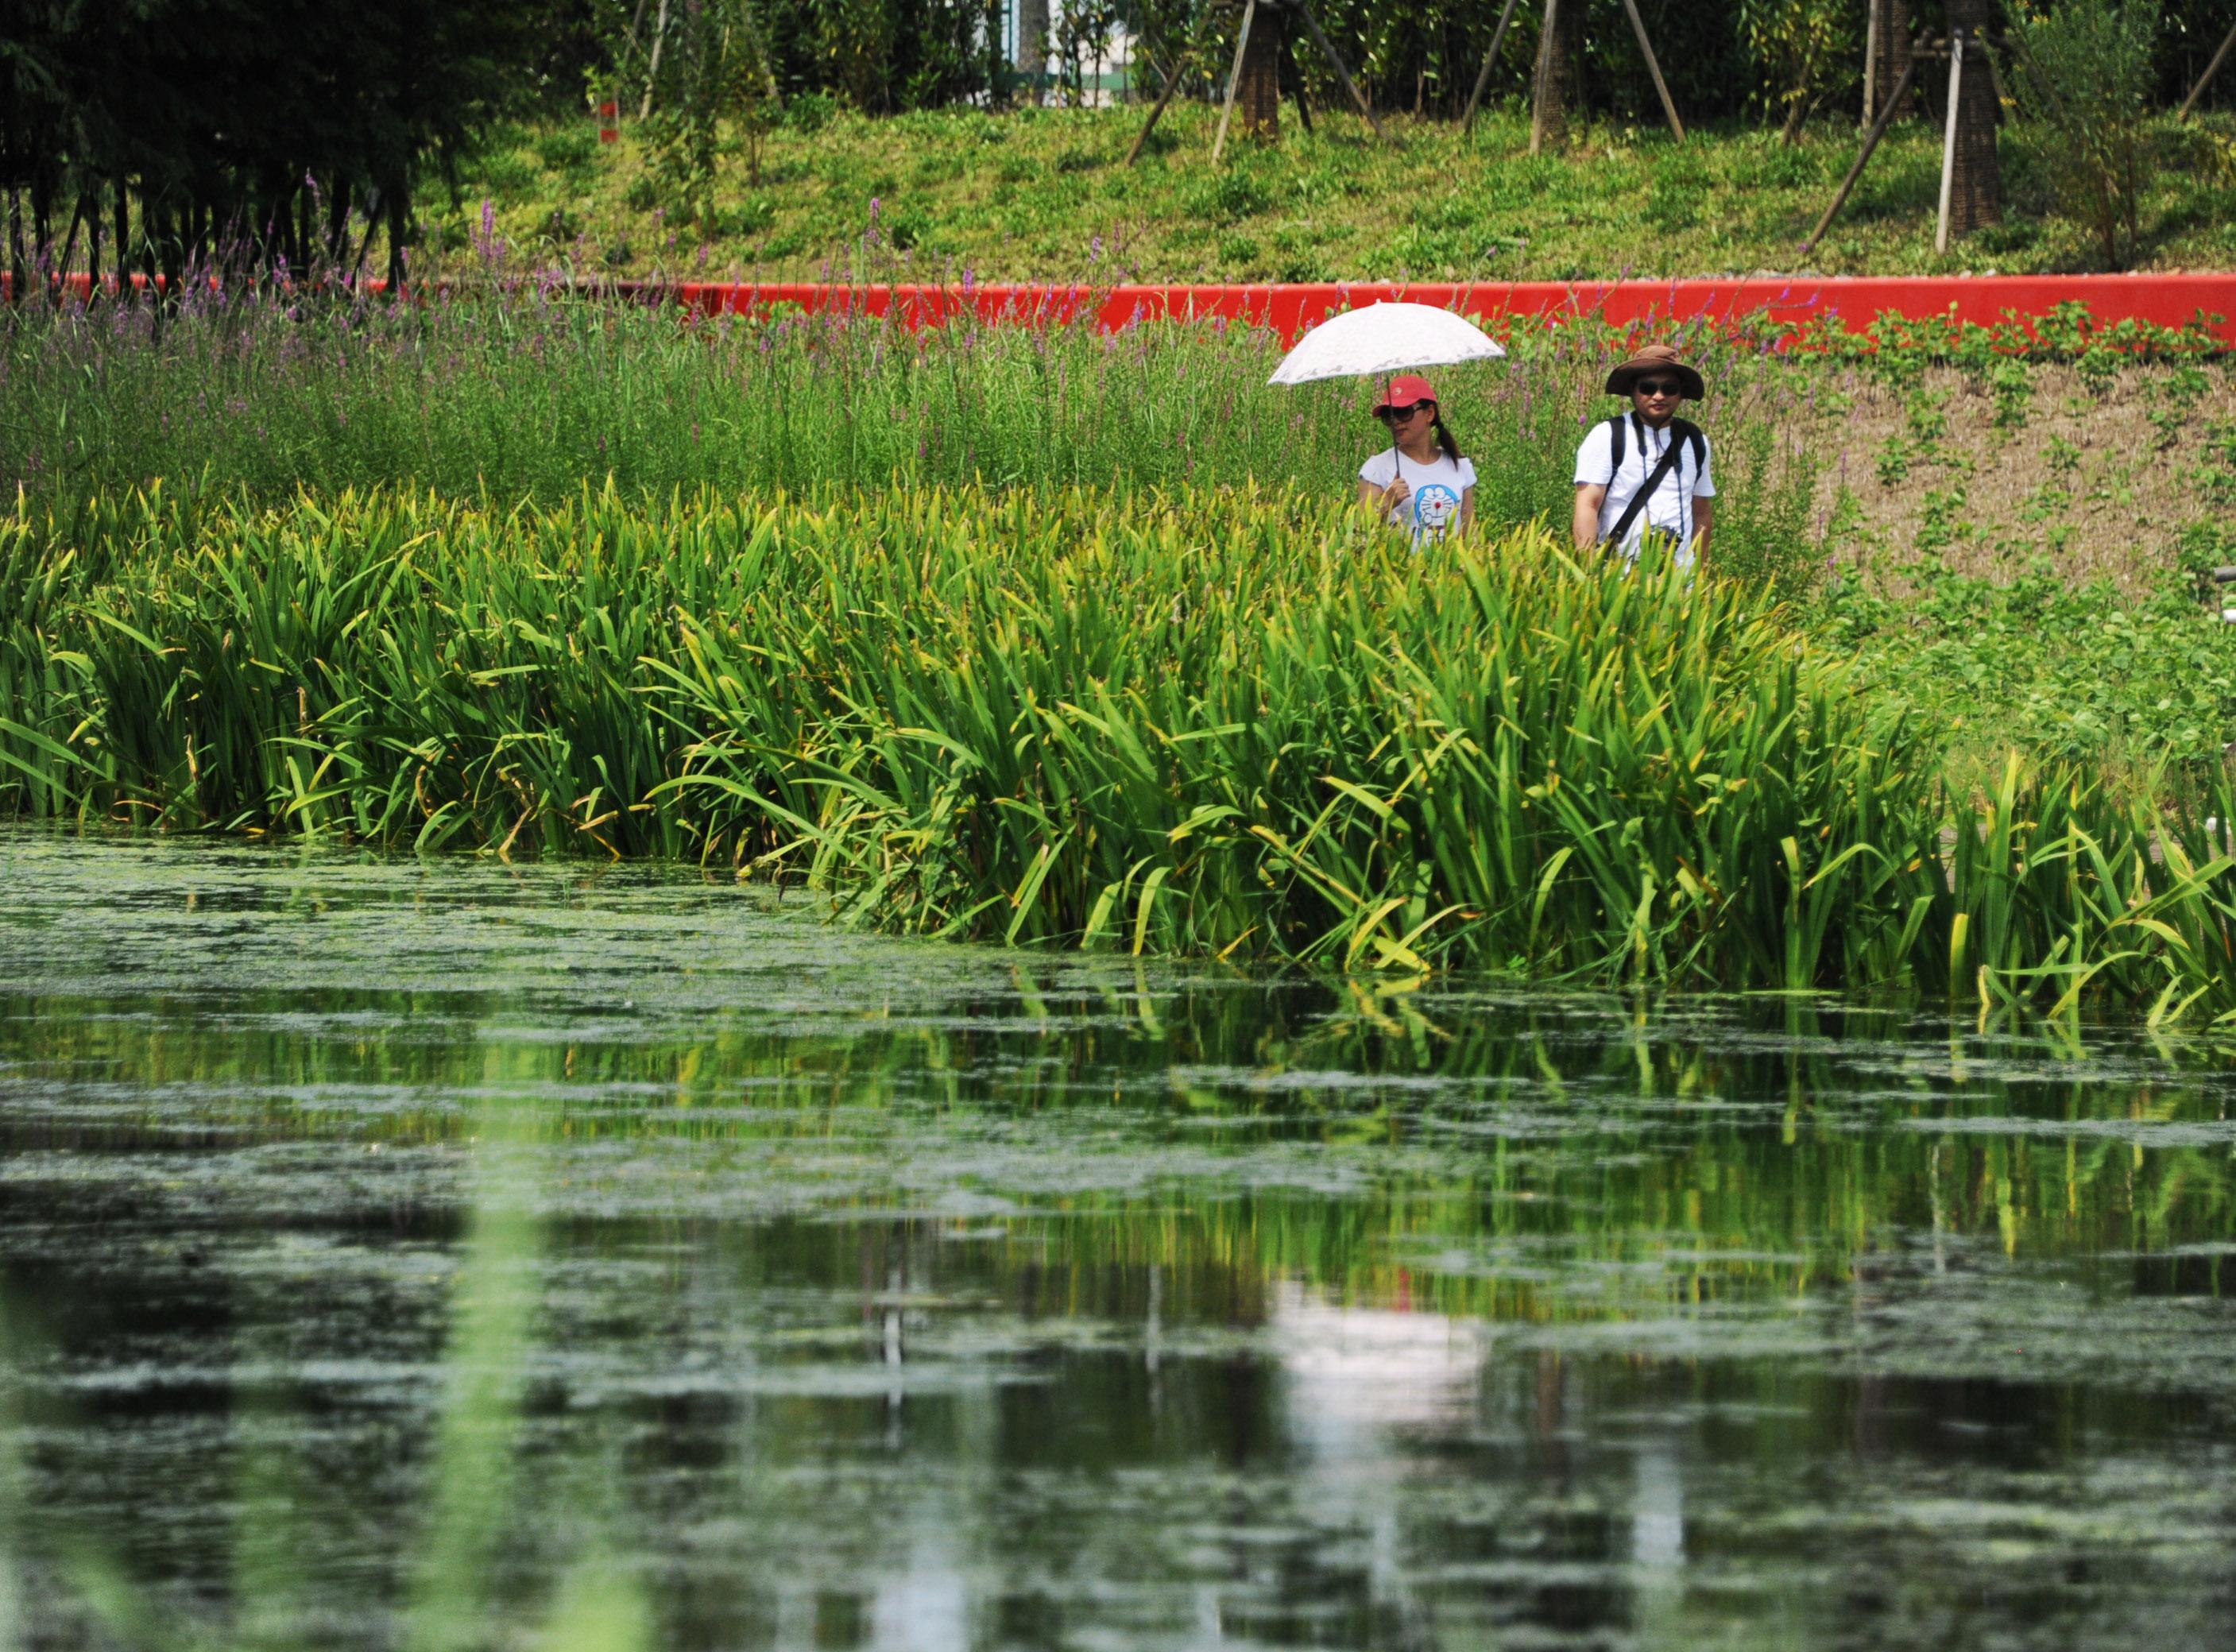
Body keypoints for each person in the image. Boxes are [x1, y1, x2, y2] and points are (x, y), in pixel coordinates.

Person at [1572, 343, 1715, 565]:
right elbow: (1588, 504)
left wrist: (1700, 570)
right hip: (1616, 577)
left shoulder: (1696, 441)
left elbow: (1702, 513)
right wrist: (1588, 572)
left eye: (1669, 388)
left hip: (1679, 581)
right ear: (1632, 389)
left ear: (1681, 392)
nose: (1658, 396)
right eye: (1648, 388)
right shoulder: (1608, 436)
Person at [1358, 374, 1476, 546]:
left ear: (1429, 413)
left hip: (1450, 571)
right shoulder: (1376, 469)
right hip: (1400, 571)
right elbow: (1361, 536)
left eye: (1403, 412)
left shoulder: (1459, 466)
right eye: (1388, 415)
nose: (1395, 421)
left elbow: (1470, 534)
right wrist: (1385, 505)